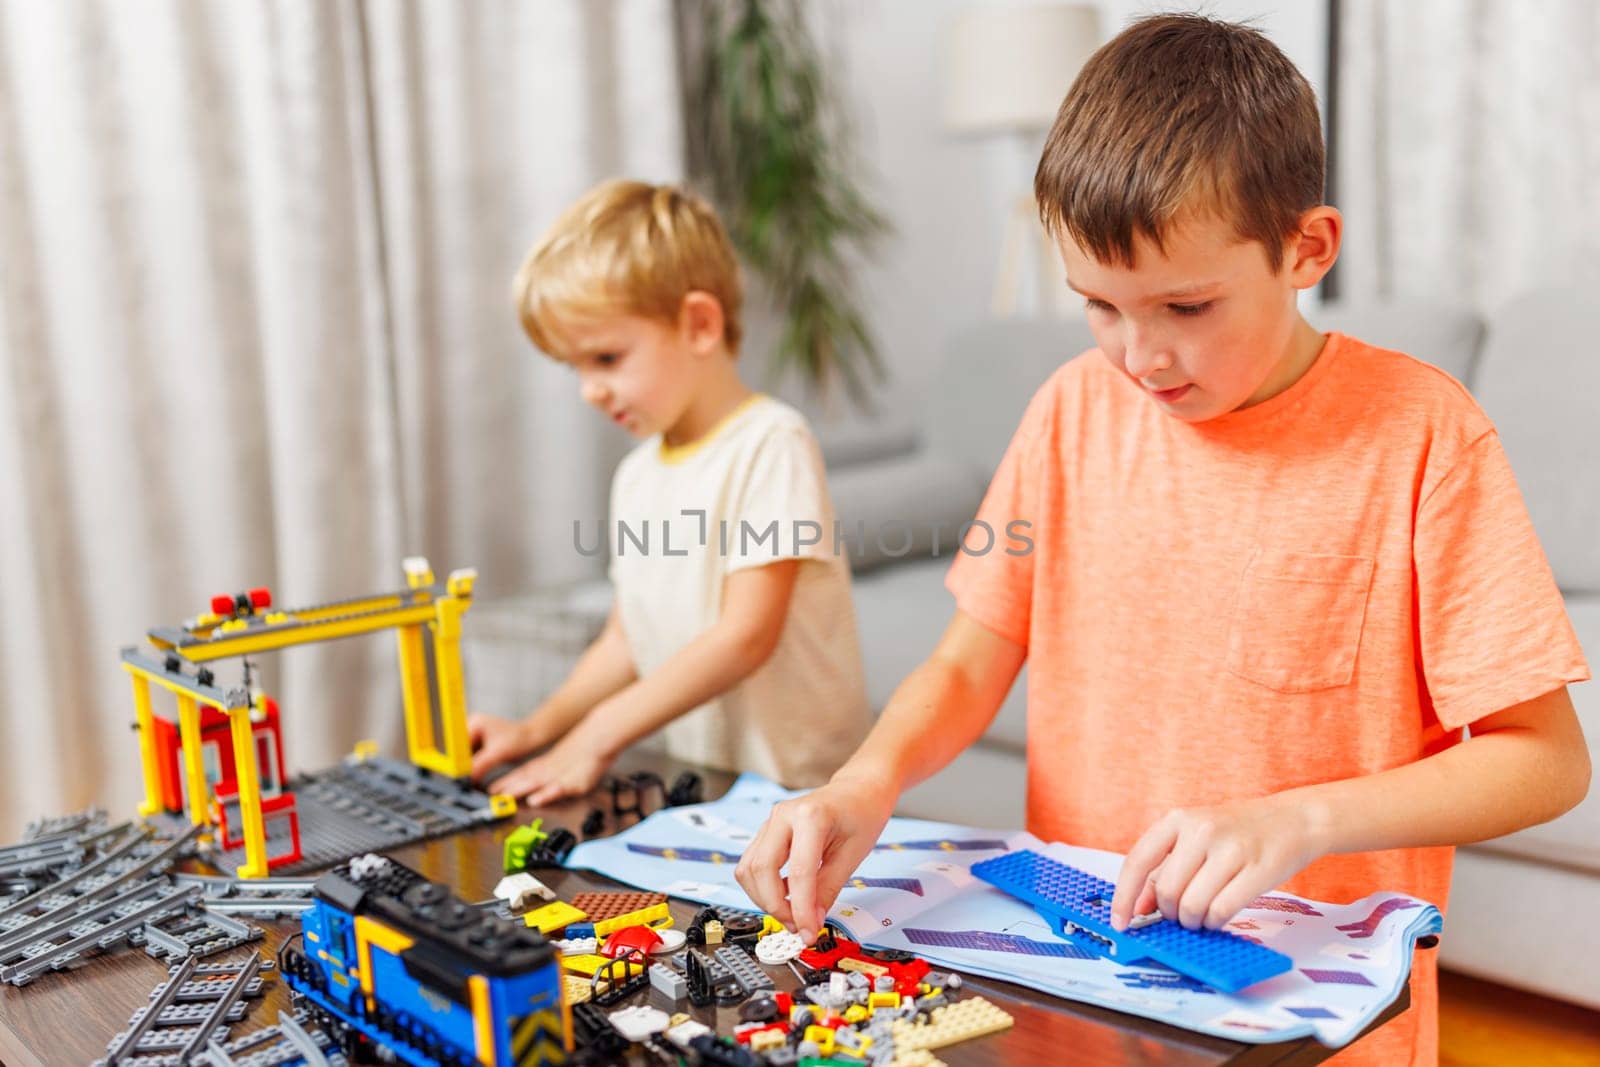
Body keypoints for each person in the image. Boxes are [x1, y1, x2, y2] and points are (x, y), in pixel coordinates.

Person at [733, 15, 1591, 1065]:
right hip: (1078, 988)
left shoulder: (1423, 436)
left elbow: (1545, 759)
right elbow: (968, 660)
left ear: (1306, 247)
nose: (1139, 354)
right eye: (1097, 304)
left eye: (1185, 304)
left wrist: (1296, 819)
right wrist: (864, 780)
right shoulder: (1067, 409)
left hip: (1307, 1018)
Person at [469, 179, 870, 806]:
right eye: (574, 367)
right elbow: (627, 641)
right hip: (710, 791)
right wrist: (539, 729)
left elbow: (745, 636)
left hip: (801, 793)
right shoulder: (637, 475)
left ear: (700, 324)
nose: (589, 391)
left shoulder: (771, 444)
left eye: (605, 358)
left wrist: (602, 734)